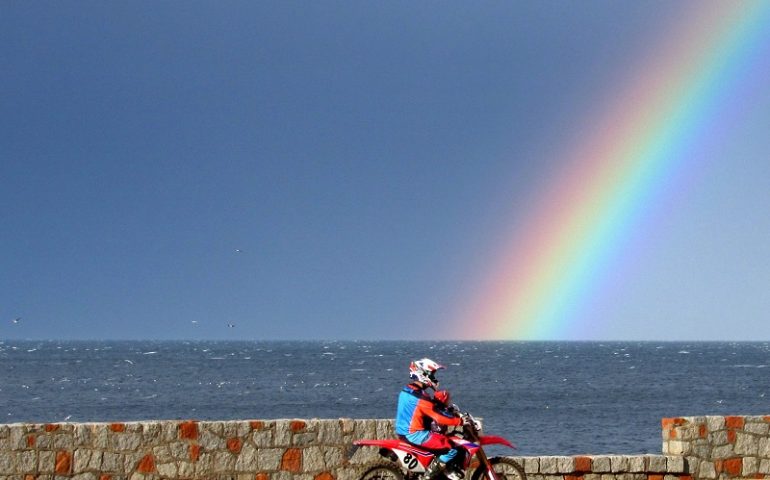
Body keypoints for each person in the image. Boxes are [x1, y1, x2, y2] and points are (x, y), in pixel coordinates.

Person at [395, 358, 464, 479]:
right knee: (450, 448)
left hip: (404, 432)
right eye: (432, 374)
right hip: (415, 434)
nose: (434, 378)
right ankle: (428, 476)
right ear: (423, 374)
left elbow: (425, 410)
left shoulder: (408, 389)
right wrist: (460, 421)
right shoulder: (421, 397)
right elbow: (438, 417)